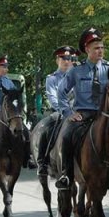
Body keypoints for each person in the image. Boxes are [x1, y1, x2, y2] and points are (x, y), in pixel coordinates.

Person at [55, 28, 109, 189]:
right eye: (96, 48)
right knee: (66, 136)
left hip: (106, 115)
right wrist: (68, 113)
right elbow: (61, 91)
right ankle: (67, 175)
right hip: (83, 114)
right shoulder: (76, 69)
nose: (100, 50)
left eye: (101, 47)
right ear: (87, 50)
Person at [36, 46, 78, 176]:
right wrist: (66, 111)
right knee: (46, 128)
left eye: (69, 58)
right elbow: (53, 98)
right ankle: (42, 162)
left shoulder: (78, 75)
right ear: (57, 61)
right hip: (59, 112)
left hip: (78, 111)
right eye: (63, 58)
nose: (66, 61)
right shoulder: (52, 78)